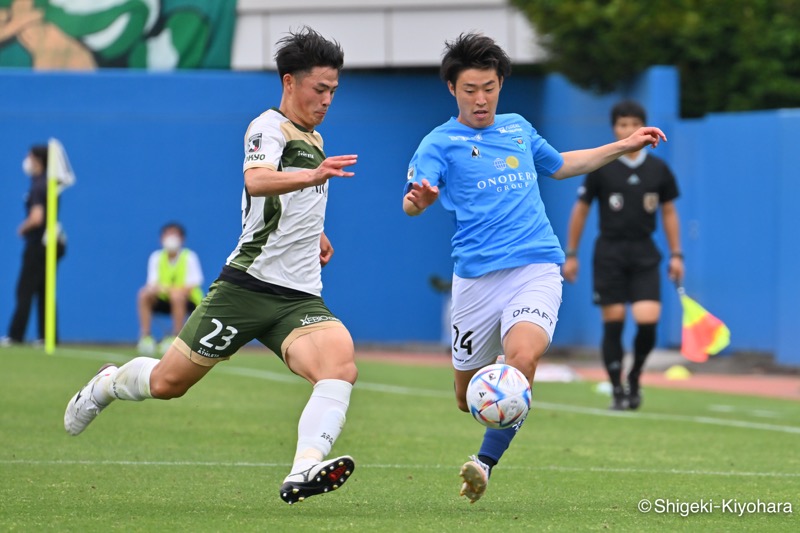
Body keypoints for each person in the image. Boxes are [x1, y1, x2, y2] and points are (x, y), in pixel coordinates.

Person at [64, 27, 359, 505]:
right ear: (290, 81)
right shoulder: (268, 127)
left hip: (299, 297)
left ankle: (304, 466)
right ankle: (107, 384)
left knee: (339, 365)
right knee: (167, 384)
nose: (326, 99)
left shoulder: (315, 137)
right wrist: (313, 175)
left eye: (333, 91)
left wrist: (315, 232)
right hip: (246, 288)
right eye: (319, 89)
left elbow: (286, 202)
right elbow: (259, 181)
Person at [402, 33, 667, 503]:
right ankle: (477, 407)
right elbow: (413, 203)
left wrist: (623, 144)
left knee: (521, 361)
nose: (480, 99)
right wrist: (418, 201)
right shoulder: (438, 143)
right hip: (476, 281)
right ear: (452, 90)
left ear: (500, 83)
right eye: (469, 90)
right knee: (467, 398)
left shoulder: (518, 128)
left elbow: (561, 165)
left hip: (536, 266)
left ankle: (483, 463)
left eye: (488, 87)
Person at [562, 100, 684, 411]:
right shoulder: (602, 167)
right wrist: (572, 254)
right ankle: (617, 388)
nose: (628, 130)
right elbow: (580, 211)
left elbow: (669, 213)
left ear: (644, 128)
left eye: (634, 124)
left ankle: (635, 376)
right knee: (613, 320)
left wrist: (676, 254)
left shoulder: (659, 169)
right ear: (615, 128)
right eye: (622, 124)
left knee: (648, 319)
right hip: (609, 252)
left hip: (645, 251)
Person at [1, 144, 66, 347]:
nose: (26, 160)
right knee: (44, 289)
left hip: (39, 244)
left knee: (25, 289)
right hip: (51, 243)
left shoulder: (39, 185)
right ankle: (48, 337)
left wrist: (22, 228)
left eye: (29, 156)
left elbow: (37, 217)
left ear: (38, 159)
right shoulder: (47, 182)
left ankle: (15, 335)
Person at [136, 222, 204, 356]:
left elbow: (192, 284)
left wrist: (172, 291)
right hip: (162, 300)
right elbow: (152, 284)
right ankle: (146, 338)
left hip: (188, 302)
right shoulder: (156, 257)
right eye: (168, 234)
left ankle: (175, 338)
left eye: (175, 234)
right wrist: (167, 290)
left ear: (182, 239)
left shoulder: (189, 257)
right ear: (161, 238)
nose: (171, 238)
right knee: (144, 294)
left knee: (177, 296)